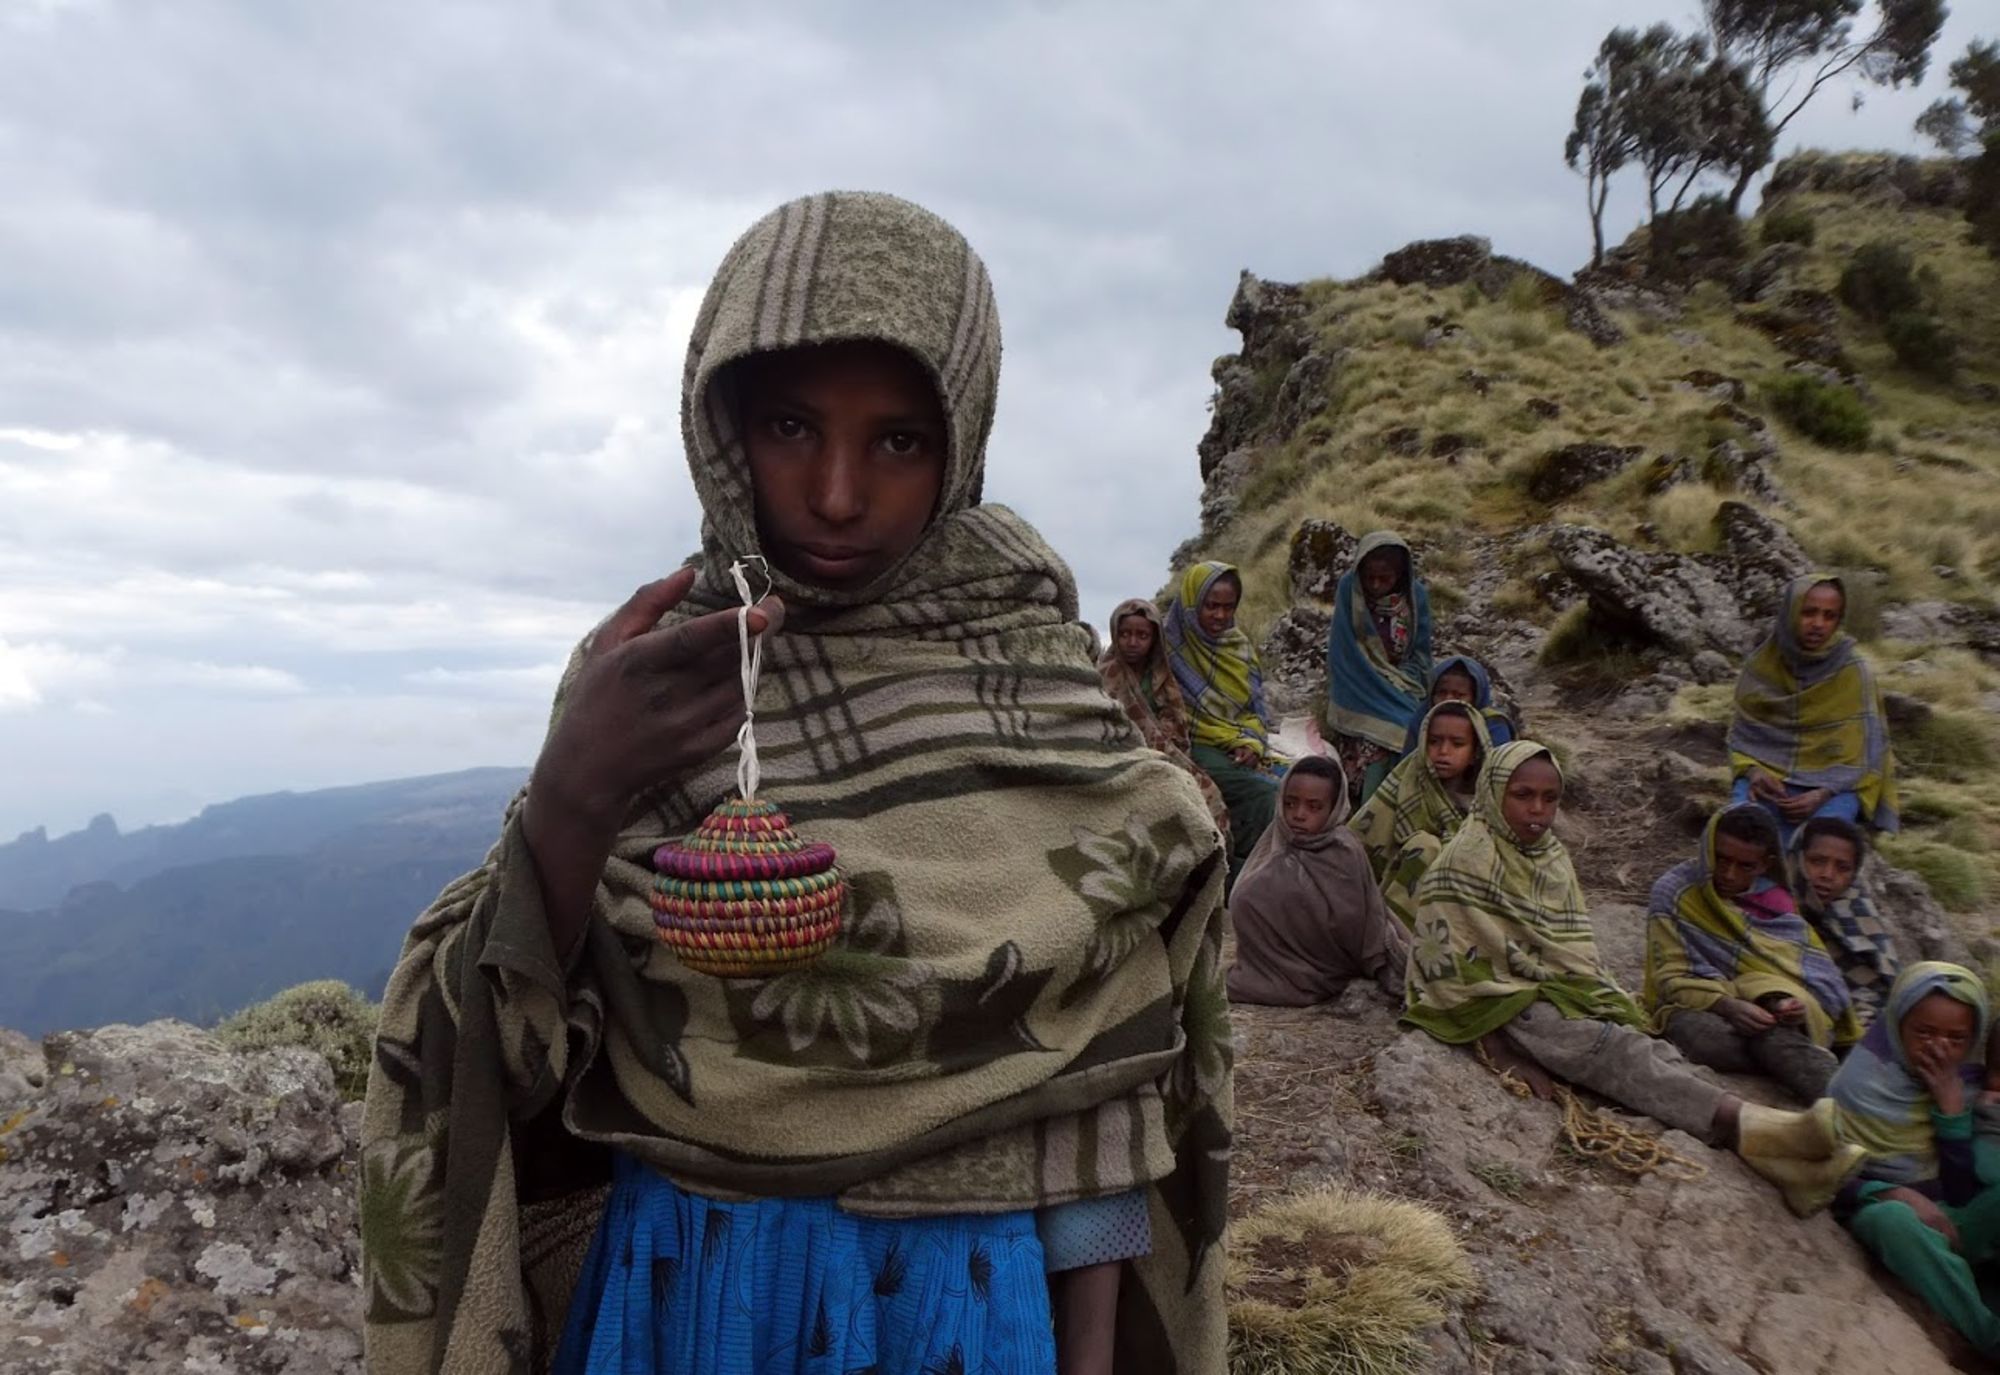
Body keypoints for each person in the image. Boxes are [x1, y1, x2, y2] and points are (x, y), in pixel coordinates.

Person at [358, 193, 1233, 1375]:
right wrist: (573, 794)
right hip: (692, 1296)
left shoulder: (1037, 685)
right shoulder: (649, 678)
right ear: (721, 427)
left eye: (896, 440)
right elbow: (511, 1059)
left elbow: (1098, 1076)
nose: (833, 492)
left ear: (961, 435)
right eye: (787, 426)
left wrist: (1086, 1354)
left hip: (968, 1312)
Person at [1403, 741, 1864, 1197]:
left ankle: (1777, 1156)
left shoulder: (1550, 857)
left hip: (1560, 990)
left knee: (1647, 1048)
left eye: (1550, 798)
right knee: (1613, 1048)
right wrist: (1500, 1050)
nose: (1537, 810)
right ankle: (1750, 1124)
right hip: (1501, 1005)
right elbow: (1442, 971)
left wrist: (1591, 993)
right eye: (1522, 795)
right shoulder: (1463, 862)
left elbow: (1570, 951)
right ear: (1493, 791)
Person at [1828, 964, 2000, 1360]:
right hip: (1900, 1220)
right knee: (1888, 1221)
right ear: (1896, 1025)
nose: (1939, 1048)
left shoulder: (1973, 1085)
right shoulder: (1855, 1086)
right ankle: (1988, 1335)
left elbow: (1964, 1190)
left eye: (1957, 1038)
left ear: (1973, 1040)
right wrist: (1891, 1191)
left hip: (1961, 1221)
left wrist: (1952, 1111)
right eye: (1924, 1033)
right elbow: (1828, 1169)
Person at [1643, 804, 1858, 1103]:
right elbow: (1669, 975)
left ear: (1765, 864)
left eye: (1745, 866)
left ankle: (1839, 1106)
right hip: (1702, 1006)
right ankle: (1804, 1066)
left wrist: (1788, 1005)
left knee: (1770, 1031)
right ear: (1707, 848)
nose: (1729, 874)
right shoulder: (1676, 892)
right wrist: (1728, 1005)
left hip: (1768, 1013)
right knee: (1704, 1038)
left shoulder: (1776, 901)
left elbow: (1809, 975)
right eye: (1721, 859)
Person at [1728, 574, 1898, 847]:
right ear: (1790, 612)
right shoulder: (1761, 667)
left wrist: (1822, 793)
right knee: (1739, 835)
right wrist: (1754, 773)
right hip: (1770, 782)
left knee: (1820, 847)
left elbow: (1867, 756)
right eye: (1809, 612)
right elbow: (1741, 741)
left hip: (1835, 790)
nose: (1818, 624)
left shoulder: (1854, 671)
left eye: (1830, 616)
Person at [1227, 756, 1410, 1006]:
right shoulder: (1274, 841)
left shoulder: (1342, 853)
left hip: (1327, 969)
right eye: (1290, 804)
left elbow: (1356, 925)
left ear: (1334, 808)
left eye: (1314, 807)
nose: (1299, 815)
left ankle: (1299, 977)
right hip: (1264, 969)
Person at [1164, 560, 1288, 889]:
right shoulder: (1168, 647)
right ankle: (1244, 877)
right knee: (1266, 792)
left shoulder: (1239, 648)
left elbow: (1254, 710)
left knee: (1294, 781)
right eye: (1211, 606)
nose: (1220, 616)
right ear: (1192, 603)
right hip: (1191, 747)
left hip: (1235, 744)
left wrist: (1250, 742)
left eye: (1228, 607)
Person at [1098, 597, 1231, 844]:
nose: (1132, 642)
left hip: (1164, 755)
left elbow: (1176, 723)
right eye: (1125, 634)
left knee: (1205, 793)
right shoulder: (1105, 675)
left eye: (1142, 635)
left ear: (1154, 639)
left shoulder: (1160, 676)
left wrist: (1165, 742)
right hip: (1122, 758)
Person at [1351, 701, 1492, 929]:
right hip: (1390, 891)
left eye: (1457, 744)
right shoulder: (1405, 781)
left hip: (1462, 903)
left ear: (1475, 752)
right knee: (1425, 848)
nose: (1443, 751)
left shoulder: (1488, 799)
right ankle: (1392, 934)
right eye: (1434, 742)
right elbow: (1360, 841)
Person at [1326, 532, 1433, 807]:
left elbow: (1420, 653)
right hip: (1359, 686)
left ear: (1400, 574)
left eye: (1385, 578)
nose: (1375, 585)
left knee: (1418, 729)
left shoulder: (1414, 596)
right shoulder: (1350, 590)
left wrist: (1404, 680)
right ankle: (1371, 818)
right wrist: (1380, 681)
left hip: (1402, 684)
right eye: (1370, 577)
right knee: (1386, 739)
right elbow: (1344, 653)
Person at [1792, 815, 1901, 1032]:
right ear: (1796, 858)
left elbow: (1877, 990)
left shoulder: (1857, 916)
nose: (1827, 875)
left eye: (1842, 868)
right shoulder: (1770, 910)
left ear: (1853, 875)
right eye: (1817, 861)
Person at [1397, 654, 1515, 757]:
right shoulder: (1421, 718)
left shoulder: (1493, 724)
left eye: (1459, 695)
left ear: (1475, 698)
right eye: (1442, 693)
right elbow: (1408, 766)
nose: (1448, 700)